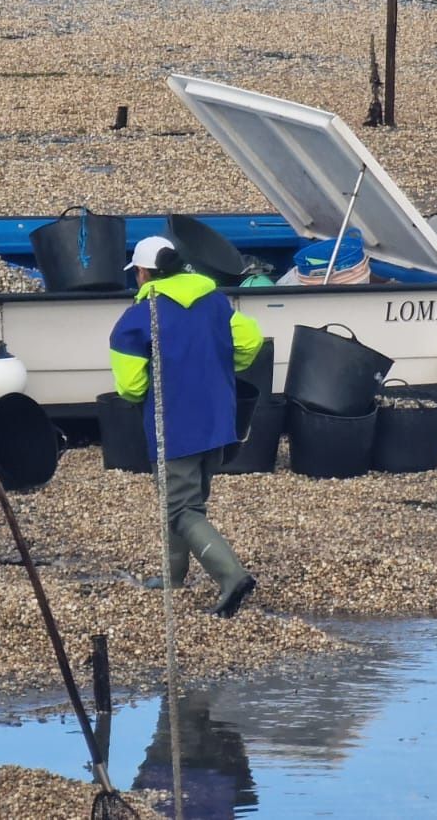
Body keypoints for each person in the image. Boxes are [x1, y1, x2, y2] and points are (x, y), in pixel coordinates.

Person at [110, 235, 264, 618]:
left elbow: (130, 386)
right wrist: (223, 368)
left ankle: (232, 577)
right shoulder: (214, 301)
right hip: (218, 419)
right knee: (189, 503)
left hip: (175, 423)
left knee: (181, 509)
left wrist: (147, 394)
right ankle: (173, 576)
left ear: (144, 274)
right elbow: (251, 340)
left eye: (138, 274)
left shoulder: (138, 319)